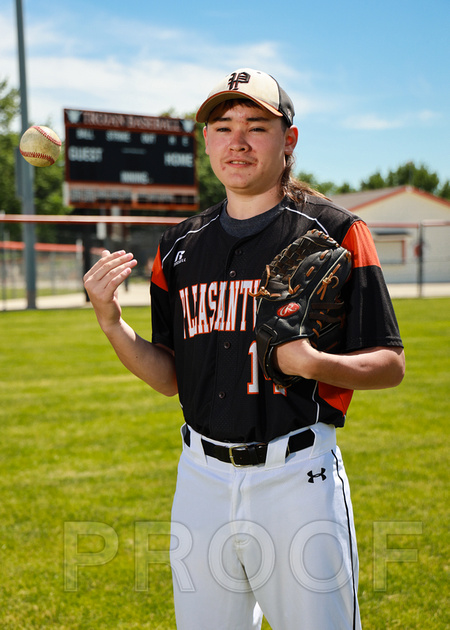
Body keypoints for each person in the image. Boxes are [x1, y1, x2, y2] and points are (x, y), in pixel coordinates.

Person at [84, 68, 405, 630]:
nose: (237, 140)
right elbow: (169, 377)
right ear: (206, 140)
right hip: (200, 478)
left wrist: (316, 363)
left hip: (297, 476)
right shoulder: (179, 247)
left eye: (256, 125)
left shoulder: (333, 232)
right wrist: (112, 323)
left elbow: (389, 363)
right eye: (223, 125)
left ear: (289, 141)